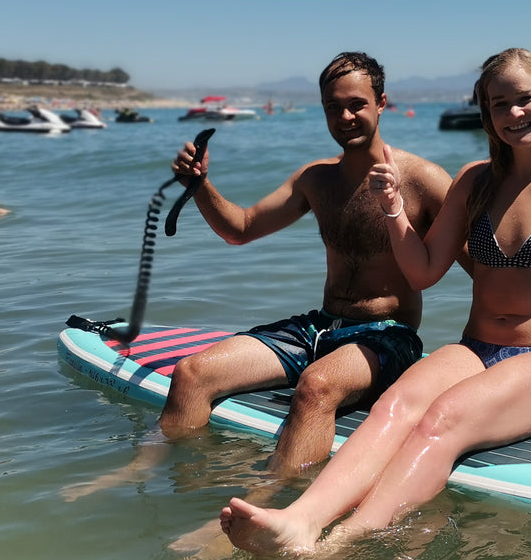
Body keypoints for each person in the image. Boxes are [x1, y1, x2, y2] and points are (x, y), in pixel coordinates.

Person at [221, 47, 531, 557]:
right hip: (474, 349)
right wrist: (393, 210)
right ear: (486, 113)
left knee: (443, 419)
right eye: (499, 104)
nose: (514, 113)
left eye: (524, 99)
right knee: (393, 407)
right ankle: (301, 520)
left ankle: (343, 541)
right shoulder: (476, 181)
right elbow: (424, 271)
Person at [158, 51, 457, 475]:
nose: (345, 117)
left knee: (315, 387)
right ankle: (151, 474)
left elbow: (480, 262)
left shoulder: (423, 179)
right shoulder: (316, 179)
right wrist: (199, 185)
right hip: (320, 327)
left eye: (356, 104)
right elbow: (240, 228)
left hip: (389, 338)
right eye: (333, 107)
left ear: (381, 103)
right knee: (191, 373)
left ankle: (271, 497)